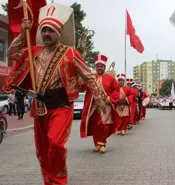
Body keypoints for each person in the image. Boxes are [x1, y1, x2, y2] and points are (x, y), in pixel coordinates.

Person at [2, 4, 109, 185]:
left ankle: (59, 180)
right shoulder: (34, 52)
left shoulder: (69, 53)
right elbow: (12, 53)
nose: (46, 34)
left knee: (56, 143)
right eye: (44, 30)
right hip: (40, 105)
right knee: (43, 148)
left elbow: (88, 75)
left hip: (61, 105)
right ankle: (49, 181)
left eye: (50, 30)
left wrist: (99, 97)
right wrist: (22, 33)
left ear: (58, 33)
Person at [80, 54, 120, 153]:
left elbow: (117, 91)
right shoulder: (91, 77)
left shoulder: (110, 78)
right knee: (94, 126)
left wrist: (110, 98)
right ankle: (97, 144)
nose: (99, 68)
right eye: (97, 66)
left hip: (105, 105)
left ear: (104, 67)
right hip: (93, 106)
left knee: (104, 125)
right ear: (95, 67)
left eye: (101, 66)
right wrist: (81, 79)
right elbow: (82, 87)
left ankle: (102, 143)